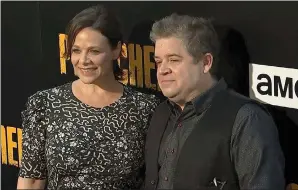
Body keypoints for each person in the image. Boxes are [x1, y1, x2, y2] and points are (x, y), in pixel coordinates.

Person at [17, 5, 160, 190]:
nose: (83, 60)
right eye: (76, 50)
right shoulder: (45, 104)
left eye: (94, 51)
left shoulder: (144, 108)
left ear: (116, 51)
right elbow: (32, 181)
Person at [144, 13, 285, 190]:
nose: (162, 70)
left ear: (206, 62)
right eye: (158, 61)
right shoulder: (161, 113)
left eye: (173, 60)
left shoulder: (247, 119)